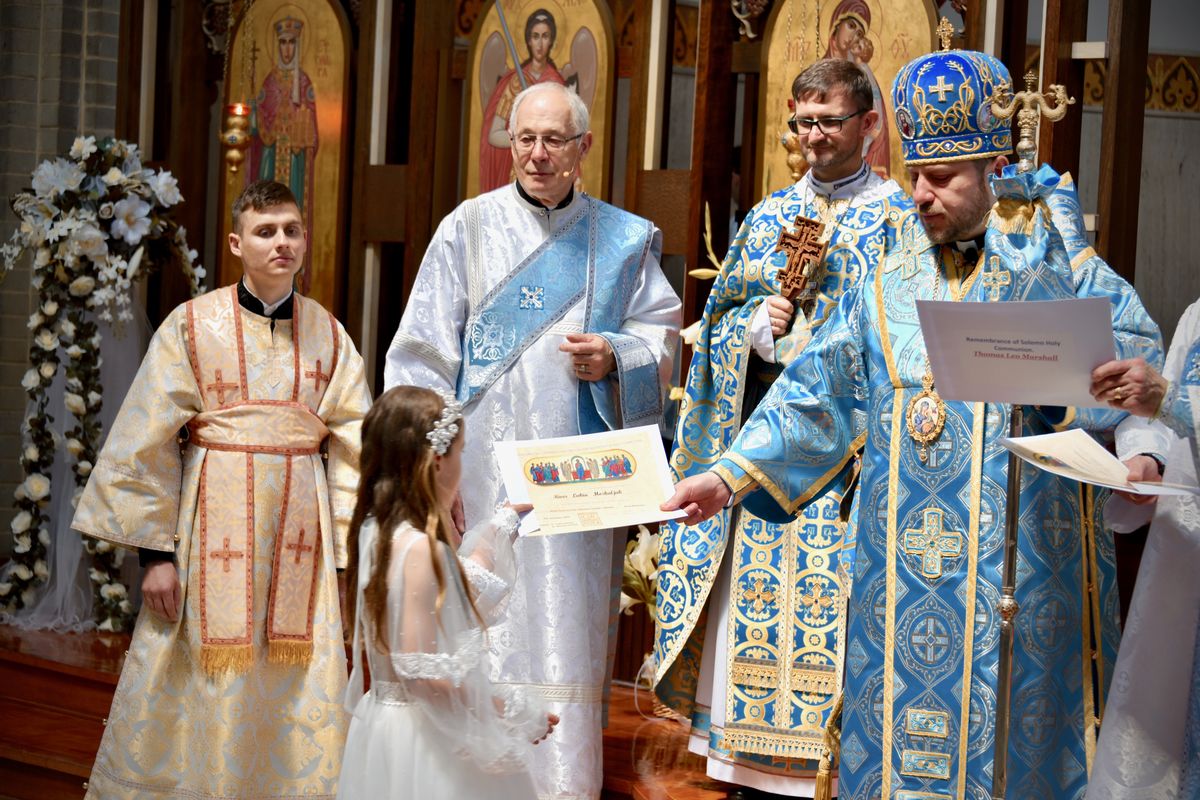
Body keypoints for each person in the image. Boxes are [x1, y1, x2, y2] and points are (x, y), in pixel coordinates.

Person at [660, 41, 1162, 800]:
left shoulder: (1060, 265)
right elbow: (819, 390)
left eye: (941, 179)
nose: (919, 195)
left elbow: (1135, 363)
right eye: (917, 177)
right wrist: (728, 477)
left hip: (1018, 590)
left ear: (996, 170)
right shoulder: (891, 278)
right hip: (898, 587)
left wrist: (1111, 398)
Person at [384, 81, 680, 799]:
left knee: (566, 633)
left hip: (575, 487)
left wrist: (616, 355)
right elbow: (420, 357)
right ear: (507, 143)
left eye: (554, 140)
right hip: (477, 478)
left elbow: (661, 340)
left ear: (583, 148)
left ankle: (561, 786)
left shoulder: (624, 238)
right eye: (524, 139)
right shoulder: (467, 229)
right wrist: (429, 479)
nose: (538, 154)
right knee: (481, 624)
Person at [654, 59, 909, 796]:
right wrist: (752, 335)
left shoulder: (899, 219)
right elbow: (713, 328)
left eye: (829, 121)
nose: (814, 137)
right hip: (759, 469)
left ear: (869, 125)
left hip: (845, 479)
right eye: (802, 123)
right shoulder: (768, 216)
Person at [73, 180, 371, 799]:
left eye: (291, 229)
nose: (281, 243)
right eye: (266, 232)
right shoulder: (192, 325)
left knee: (292, 694)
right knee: (201, 688)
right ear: (237, 243)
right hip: (209, 541)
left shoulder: (330, 335)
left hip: (301, 548)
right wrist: (154, 557)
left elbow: (355, 451)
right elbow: (145, 439)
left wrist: (344, 554)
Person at [337, 386, 558, 799]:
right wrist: (508, 709)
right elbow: (422, 672)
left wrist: (504, 521)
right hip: (421, 736)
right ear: (437, 461)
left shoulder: (375, 533)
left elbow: (452, 589)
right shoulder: (419, 549)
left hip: (383, 722)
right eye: (460, 450)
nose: (462, 462)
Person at [1086, 303, 1200, 799]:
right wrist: (1149, 457)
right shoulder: (1197, 316)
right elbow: (1164, 419)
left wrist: (1168, 399)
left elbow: (1171, 398)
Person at [250, 16, 319, 293]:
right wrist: (256, 113)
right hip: (271, 157)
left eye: (292, 43)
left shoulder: (303, 83)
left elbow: (313, 134)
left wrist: (302, 127)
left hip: (294, 164)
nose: (287, 49)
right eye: (283, 43)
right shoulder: (270, 81)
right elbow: (260, 129)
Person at [480, 8, 568, 193]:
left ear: (552, 40)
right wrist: (523, 140)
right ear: (528, 40)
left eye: (545, 36)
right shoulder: (515, 83)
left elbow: (567, 136)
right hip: (517, 174)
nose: (540, 43)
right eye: (535, 36)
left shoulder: (557, 85)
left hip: (549, 175)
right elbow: (494, 134)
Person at [824, 0, 890, 176]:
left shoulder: (861, 73)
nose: (855, 35)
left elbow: (877, 124)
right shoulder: (817, 74)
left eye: (860, 33)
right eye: (851, 25)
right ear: (835, 25)